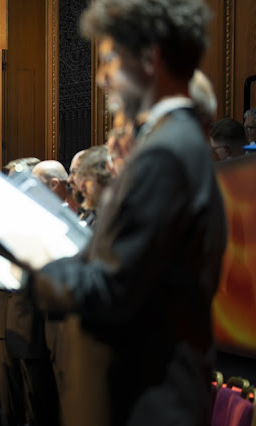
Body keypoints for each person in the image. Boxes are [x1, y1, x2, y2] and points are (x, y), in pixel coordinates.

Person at [17, 1, 227, 424]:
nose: (100, 76)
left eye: (110, 59)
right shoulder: (172, 144)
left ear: (150, 59)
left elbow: (110, 291)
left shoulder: (165, 154)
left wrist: (31, 257)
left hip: (144, 403)